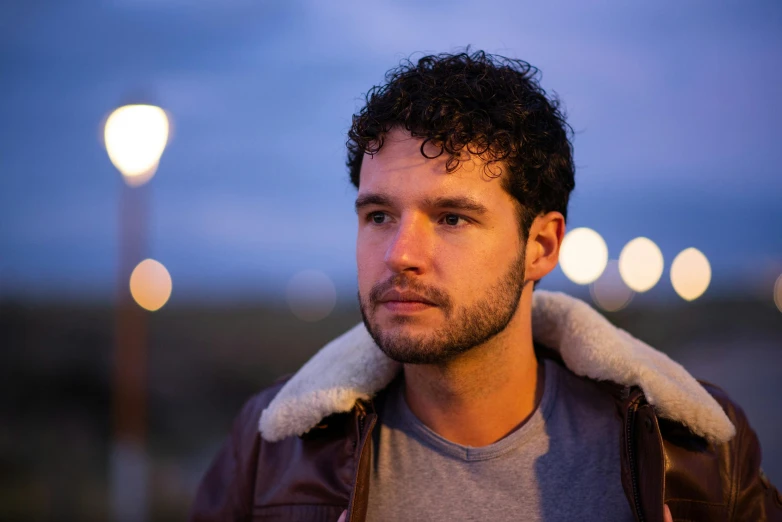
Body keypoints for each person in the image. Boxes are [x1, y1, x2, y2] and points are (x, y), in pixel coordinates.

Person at [189, 50, 781, 522]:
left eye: (452, 218)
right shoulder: (271, 448)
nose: (400, 255)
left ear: (542, 246)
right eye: (378, 216)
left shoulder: (694, 451)